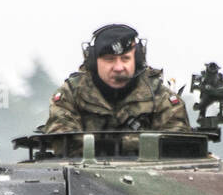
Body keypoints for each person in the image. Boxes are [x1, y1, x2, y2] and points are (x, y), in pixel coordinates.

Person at [41, 23, 191, 152]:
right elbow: (62, 139)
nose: (119, 67)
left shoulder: (159, 96)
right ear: (93, 61)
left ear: (137, 59)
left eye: (126, 59)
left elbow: (176, 141)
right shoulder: (72, 94)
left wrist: (117, 145)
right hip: (84, 176)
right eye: (109, 59)